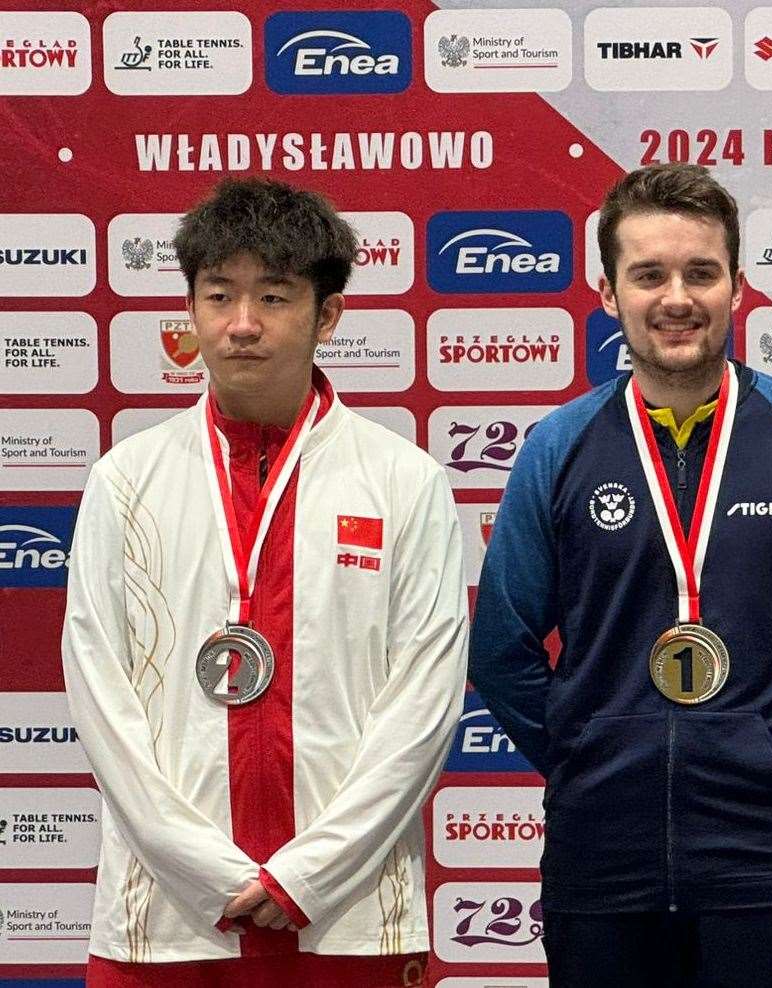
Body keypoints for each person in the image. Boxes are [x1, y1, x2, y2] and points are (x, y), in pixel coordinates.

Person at [469, 162, 772, 986]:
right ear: (609, 293)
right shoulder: (558, 448)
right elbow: (502, 647)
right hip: (601, 861)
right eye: (649, 276)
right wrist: (589, 755)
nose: (677, 297)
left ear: (737, 287)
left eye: (701, 273)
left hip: (765, 858)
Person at [61, 177, 468, 987]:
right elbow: (99, 694)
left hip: (352, 922)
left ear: (328, 315)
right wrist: (208, 871)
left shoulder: (404, 482)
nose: (241, 324)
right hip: (165, 923)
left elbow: (424, 706)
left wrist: (306, 876)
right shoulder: (124, 482)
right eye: (219, 295)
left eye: (274, 297)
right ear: (193, 308)